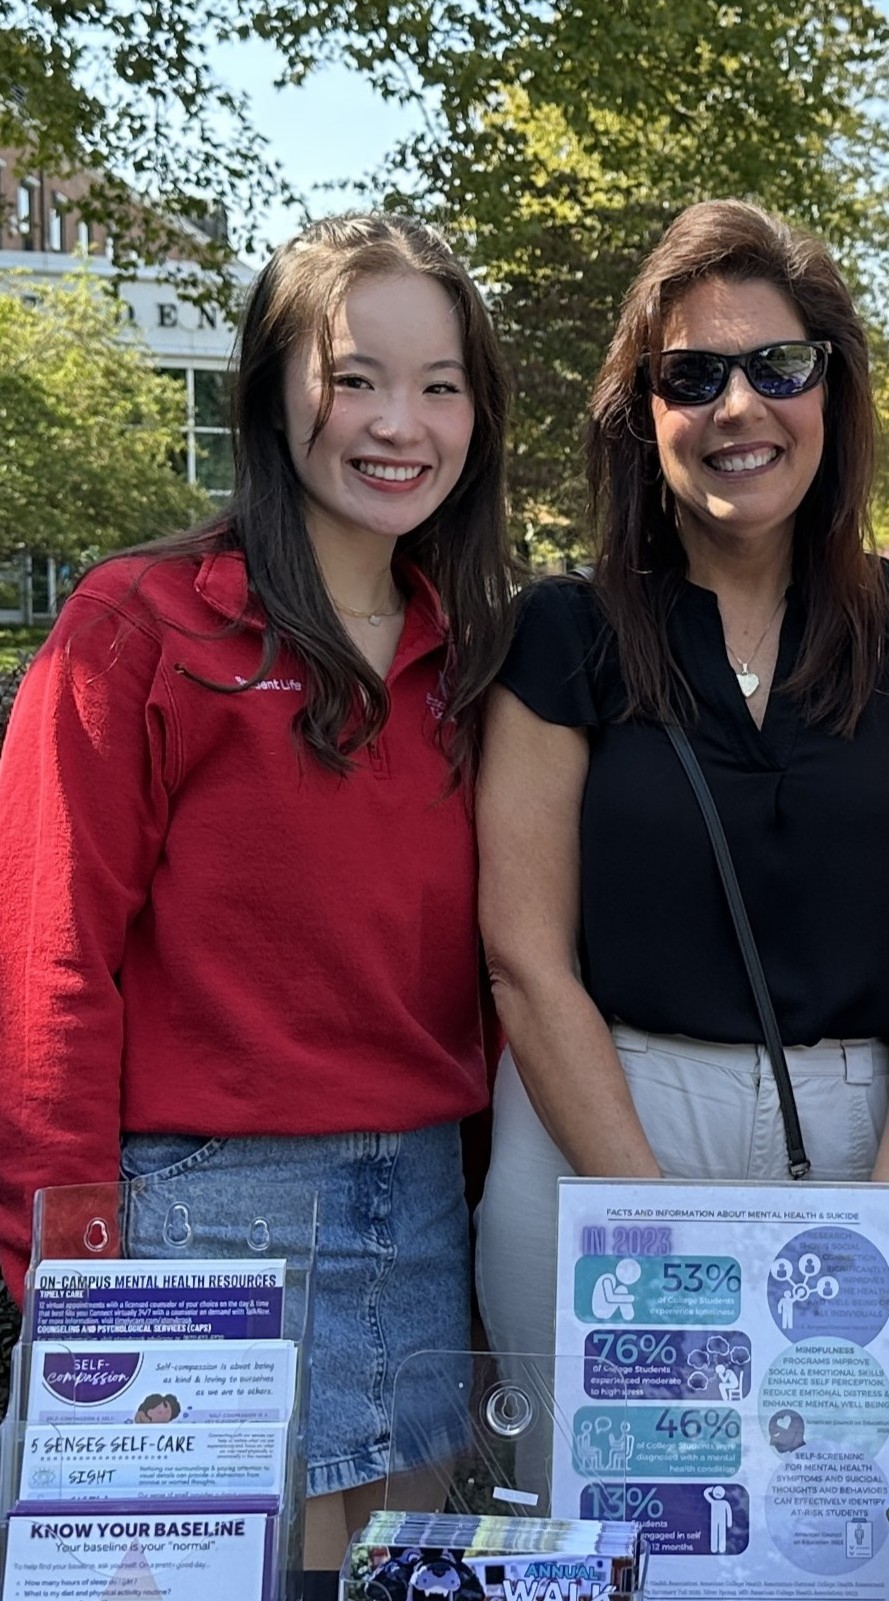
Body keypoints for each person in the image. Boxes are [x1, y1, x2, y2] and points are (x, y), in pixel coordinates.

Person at [471, 199, 889, 1496]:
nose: (739, 406)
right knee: (635, 1545)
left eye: (779, 365)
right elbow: (524, 957)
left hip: (859, 1140)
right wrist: (655, 1236)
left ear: (833, 389)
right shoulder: (562, 636)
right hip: (599, 1132)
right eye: (691, 375)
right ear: (642, 412)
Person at [0, 212, 516, 1565]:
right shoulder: (138, 626)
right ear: (272, 392)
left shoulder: (473, 657)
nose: (399, 423)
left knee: (399, 1578)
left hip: (422, 1214)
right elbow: (51, 963)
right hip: (198, 1222)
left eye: (441, 384)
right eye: (354, 378)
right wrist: (71, 1280)